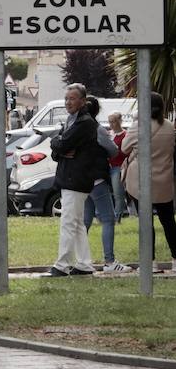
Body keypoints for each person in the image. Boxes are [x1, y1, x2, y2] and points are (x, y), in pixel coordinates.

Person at [47, 83, 102, 277]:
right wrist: (59, 146)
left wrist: (60, 145)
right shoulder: (73, 120)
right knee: (77, 223)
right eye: (66, 98)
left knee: (68, 222)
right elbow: (58, 146)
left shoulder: (84, 122)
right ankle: (85, 264)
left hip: (76, 179)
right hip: (71, 177)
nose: (68, 102)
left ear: (82, 101)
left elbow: (62, 144)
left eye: (72, 98)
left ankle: (62, 265)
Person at [121, 91, 176, 271]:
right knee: (169, 222)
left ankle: (150, 262)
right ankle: (175, 260)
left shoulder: (138, 127)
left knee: (146, 223)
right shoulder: (169, 127)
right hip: (164, 181)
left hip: (141, 181)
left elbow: (124, 148)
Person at [83, 98, 124, 273]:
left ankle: (79, 259)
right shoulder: (97, 129)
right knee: (108, 219)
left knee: (85, 221)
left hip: (82, 179)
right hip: (97, 179)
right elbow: (113, 149)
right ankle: (109, 261)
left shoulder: (76, 126)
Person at [108, 112, 127, 221]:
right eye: (110, 122)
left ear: (119, 121)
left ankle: (118, 216)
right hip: (108, 166)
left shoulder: (125, 135)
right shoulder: (109, 134)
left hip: (118, 167)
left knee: (118, 193)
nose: (111, 124)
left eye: (113, 121)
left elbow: (125, 152)